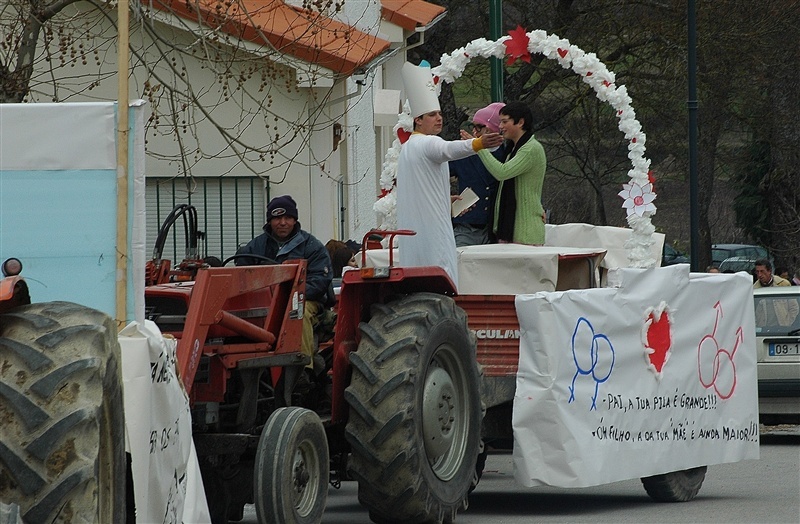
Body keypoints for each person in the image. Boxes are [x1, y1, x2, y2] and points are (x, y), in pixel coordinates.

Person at [396, 62, 503, 287]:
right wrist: (478, 143)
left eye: (440, 114)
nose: (439, 118)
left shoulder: (408, 148)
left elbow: (420, 191)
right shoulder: (428, 142)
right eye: (432, 115)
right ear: (418, 120)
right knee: (440, 278)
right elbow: (448, 150)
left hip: (416, 232)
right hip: (432, 232)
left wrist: (446, 199)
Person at [235, 195, 333, 372]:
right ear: (269, 221)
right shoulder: (255, 247)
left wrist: (292, 295)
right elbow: (241, 274)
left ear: (295, 220)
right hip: (264, 303)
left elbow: (320, 280)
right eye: (277, 218)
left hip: (304, 299)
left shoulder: (312, 246)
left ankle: (302, 369)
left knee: (297, 314)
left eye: (287, 218)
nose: (283, 222)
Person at [475, 101, 547, 245]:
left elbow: (502, 172)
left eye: (504, 122)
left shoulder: (530, 149)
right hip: (512, 231)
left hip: (525, 233)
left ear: (520, 122)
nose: (500, 127)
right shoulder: (513, 149)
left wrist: (479, 147)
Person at [450, 102, 506, 246]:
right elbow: (439, 174)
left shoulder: (507, 154)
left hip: (494, 228)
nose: (475, 131)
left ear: (491, 128)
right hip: (466, 225)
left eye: (479, 127)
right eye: (473, 126)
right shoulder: (464, 152)